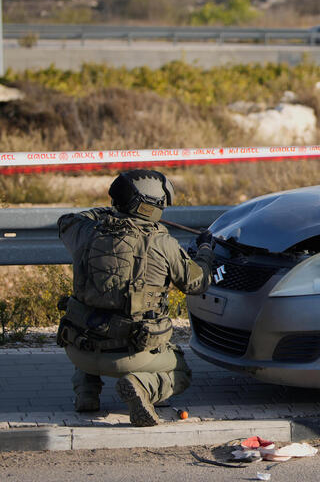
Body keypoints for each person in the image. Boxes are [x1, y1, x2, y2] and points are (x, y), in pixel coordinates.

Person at [56, 169, 215, 427]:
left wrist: (109, 213)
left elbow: (67, 220)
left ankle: (86, 394)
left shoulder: (86, 232)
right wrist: (206, 250)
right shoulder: (162, 243)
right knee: (181, 371)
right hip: (131, 355)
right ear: (152, 206)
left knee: (91, 318)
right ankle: (142, 385)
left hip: (79, 349)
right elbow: (197, 283)